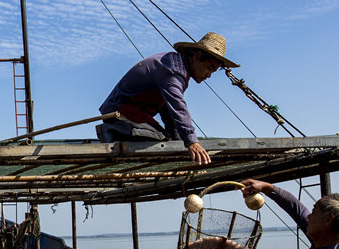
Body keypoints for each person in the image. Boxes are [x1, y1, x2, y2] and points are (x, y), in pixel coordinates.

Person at [97, 32, 237, 166]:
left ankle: (121, 130)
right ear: (197, 56)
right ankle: (113, 130)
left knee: (169, 141)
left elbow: (168, 109)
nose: (208, 75)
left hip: (136, 113)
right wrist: (191, 141)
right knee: (161, 143)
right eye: (209, 68)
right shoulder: (172, 71)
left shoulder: (177, 67)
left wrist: (178, 140)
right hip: (121, 112)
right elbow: (178, 107)